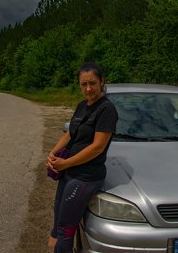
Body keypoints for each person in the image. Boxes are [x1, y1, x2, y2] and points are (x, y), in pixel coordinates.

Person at [45, 62, 118, 253]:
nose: (88, 89)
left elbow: (97, 147)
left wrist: (66, 163)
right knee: (58, 218)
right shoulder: (81, 106)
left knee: (65, 230)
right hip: (69, 172)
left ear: (102, 82)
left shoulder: (107, 109)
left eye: (92, 83)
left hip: (86, 176)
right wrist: (53, 153)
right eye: (83, 84)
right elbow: (70, 133)